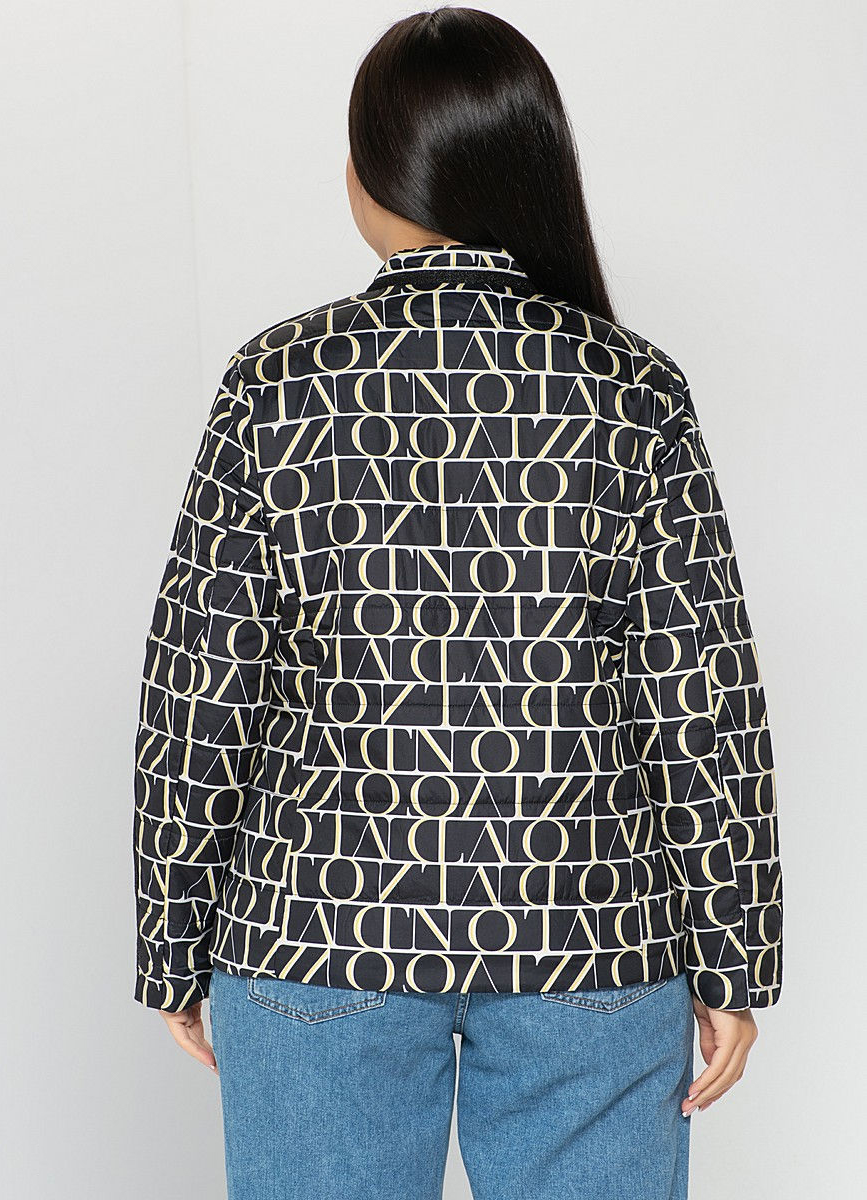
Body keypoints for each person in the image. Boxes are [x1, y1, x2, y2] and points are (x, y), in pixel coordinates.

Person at [131, 7, 783, 1198]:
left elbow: (202, 683)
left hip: (317, 922)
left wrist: (172, 939)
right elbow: (700, 693)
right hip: (591, 926)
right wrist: (733, 955)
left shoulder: (277, 383)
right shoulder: (633, 387)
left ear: (368, 176)